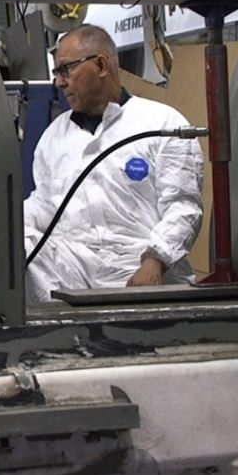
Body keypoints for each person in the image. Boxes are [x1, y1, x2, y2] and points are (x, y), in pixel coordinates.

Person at [24, 24, 204, 303]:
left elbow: (183, 206)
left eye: (65, 69)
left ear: (100, 65)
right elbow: (43, 206)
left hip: (139, 268)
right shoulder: (54, 136)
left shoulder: (163, 123)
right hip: (73, 271)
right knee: (14, 246)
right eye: (57, 73)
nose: (60, 82)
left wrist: (156, 262)